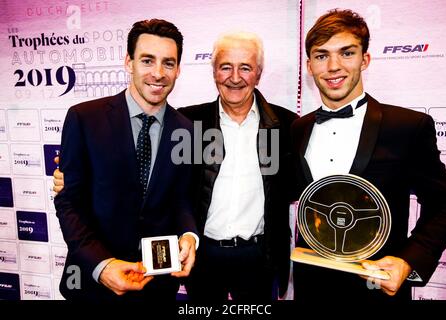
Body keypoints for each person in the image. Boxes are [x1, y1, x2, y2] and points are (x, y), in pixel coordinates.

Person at [291, 9, 446, 302]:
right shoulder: (297, 129)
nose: (333, 66)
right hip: (311, 285)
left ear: (365, 59)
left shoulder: (408, 127)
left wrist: (407, 261)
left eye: (346, 53)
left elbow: (445, 204)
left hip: (376, 287)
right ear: (309, 65)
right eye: (321, 55)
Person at [54, 19, 198, 301]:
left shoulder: (188, 130)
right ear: (128, 62)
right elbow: (68, 201)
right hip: (93, 284)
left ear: (179, 69)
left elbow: (182, 200)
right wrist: (102, 265)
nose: (158, 73)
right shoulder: (84, 119)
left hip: (156, 287)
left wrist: (189, 237)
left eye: (168, 63)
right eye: (147, 60)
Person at [179, 32, 298, 301]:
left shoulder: (286, 125)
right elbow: (160, 176)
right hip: (202, 256)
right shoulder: (189, 123)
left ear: (258, 73)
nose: (235, 77)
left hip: (259, 257)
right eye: (225, 67)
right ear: (214, 73)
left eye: (245, 67)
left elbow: (309, 181)